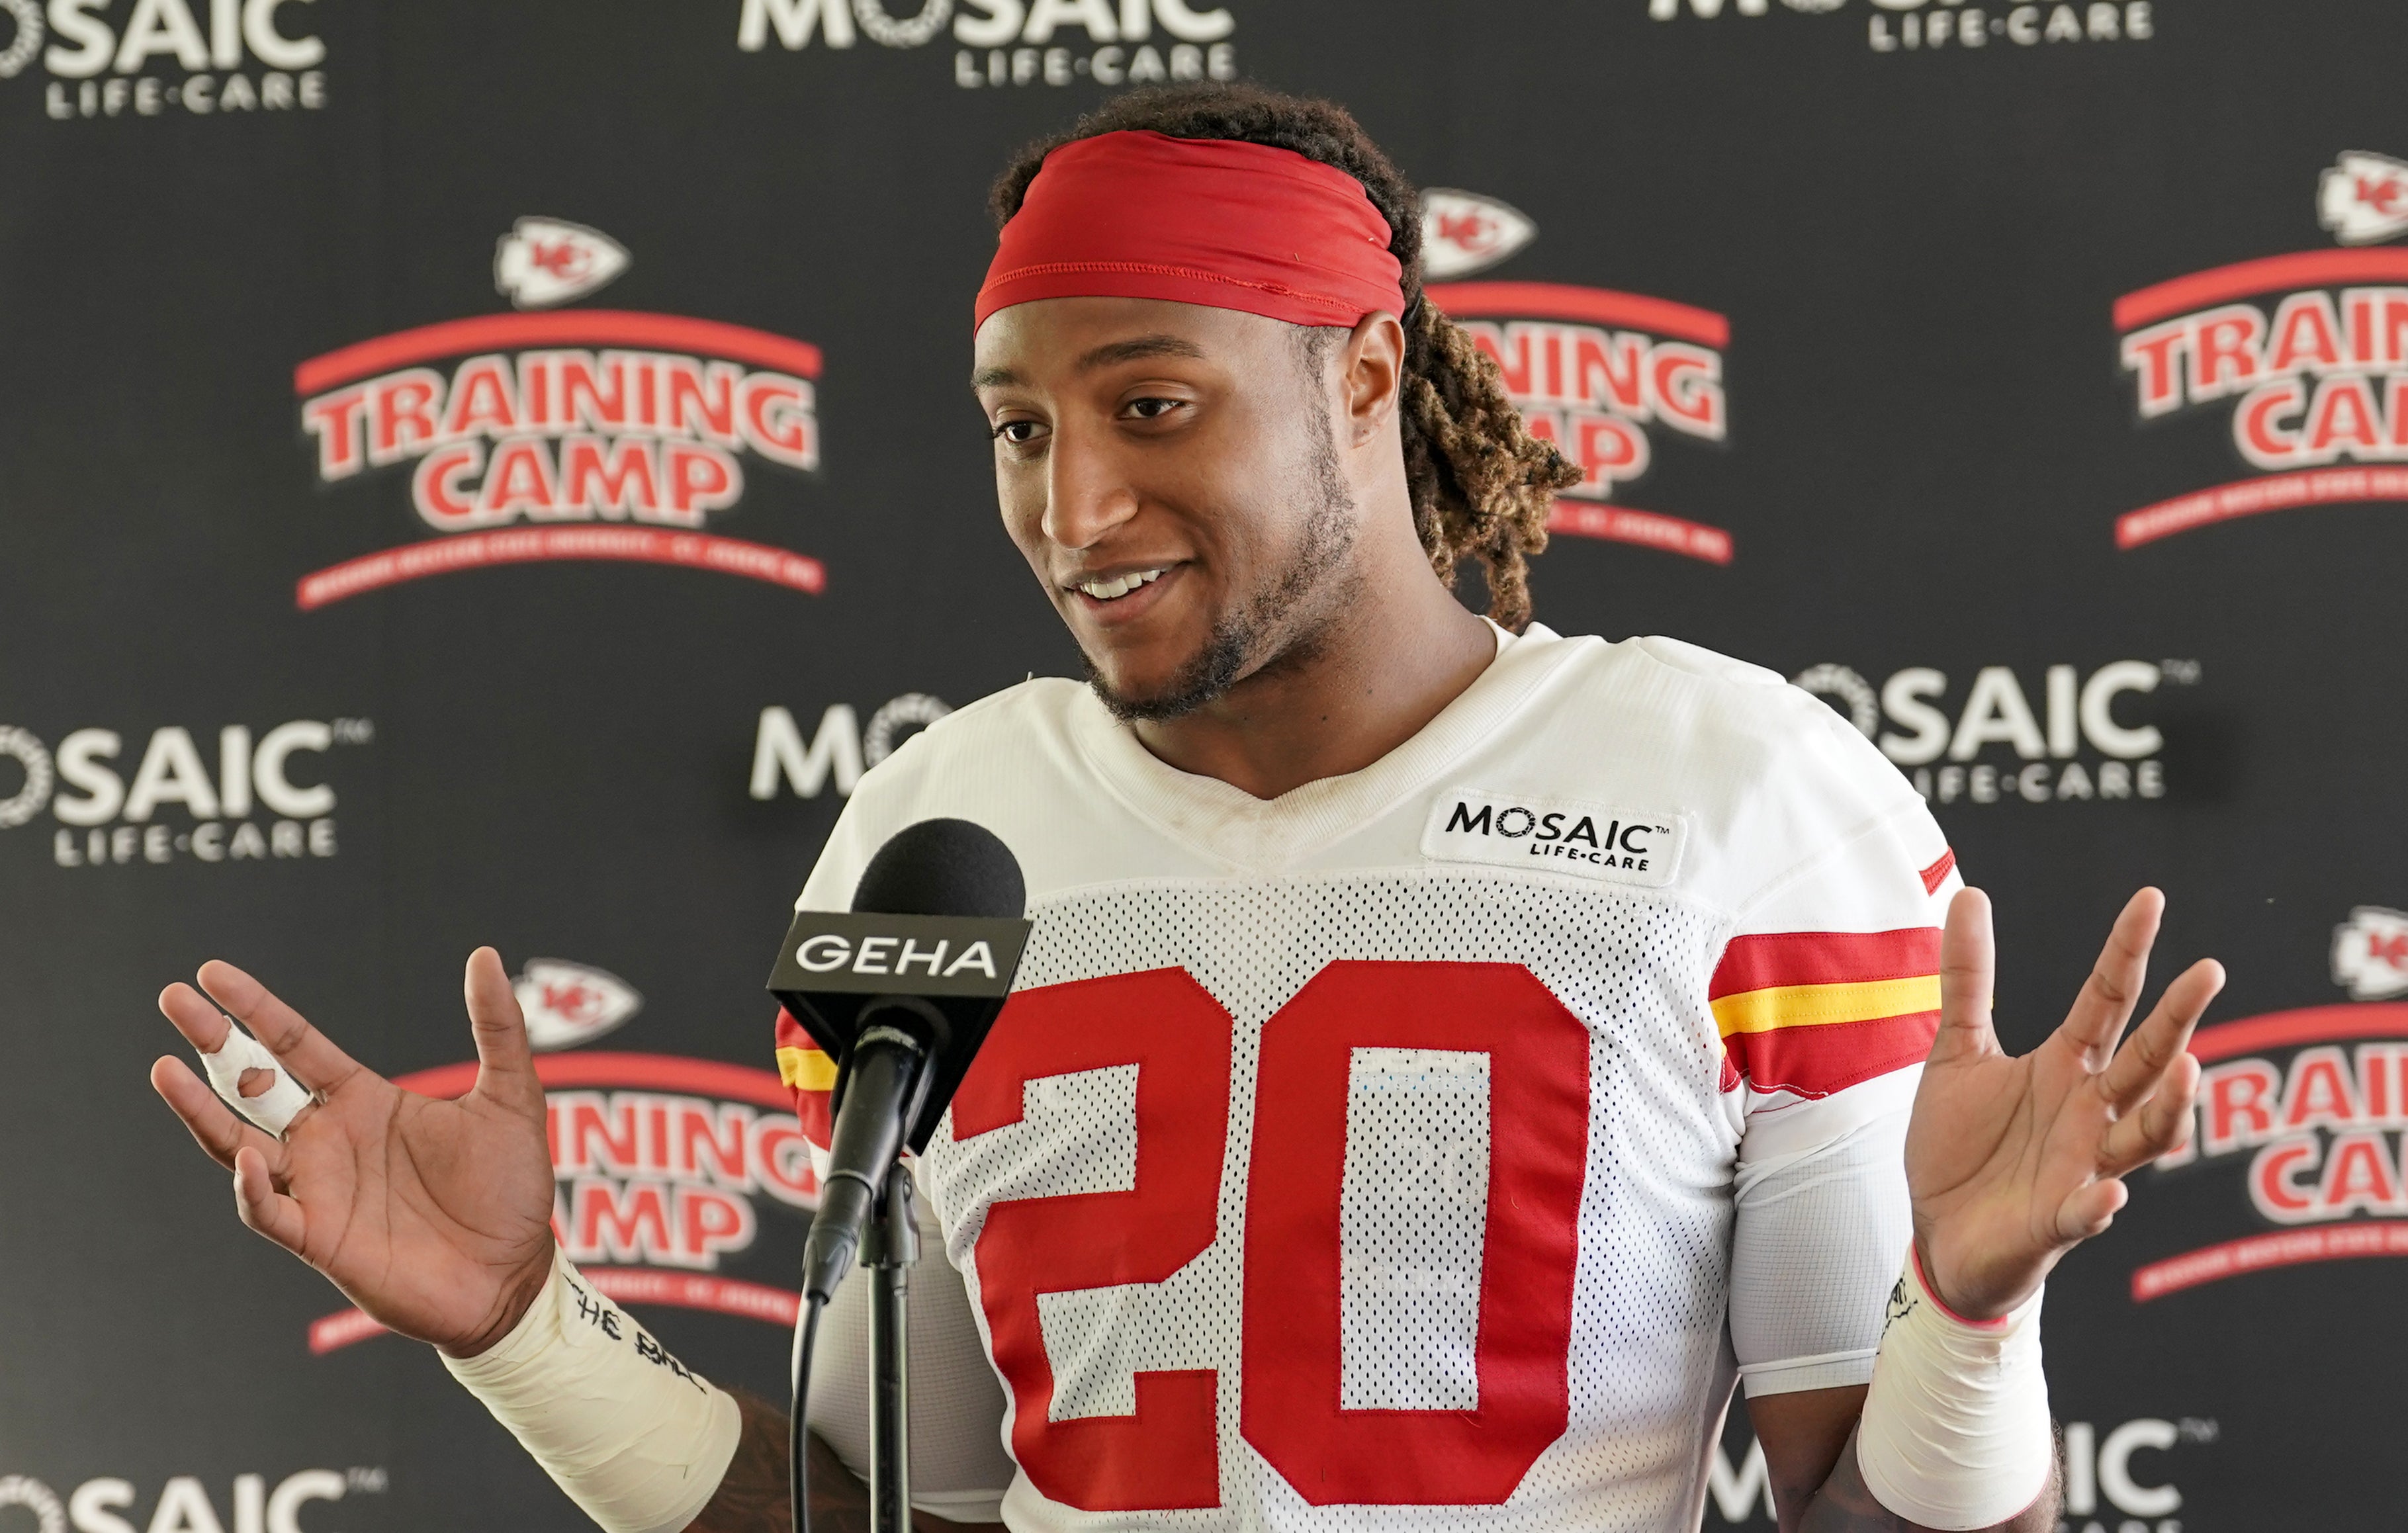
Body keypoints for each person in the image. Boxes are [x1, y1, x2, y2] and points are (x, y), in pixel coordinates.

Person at [150, 83, 2222, 1533]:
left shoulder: (1729, 797)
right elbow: (909, 1525)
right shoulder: (934, 837)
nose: (1075, 507)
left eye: (1155, 405)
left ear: (1364, 372)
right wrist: (523, 1331)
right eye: (1019, 427)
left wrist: (1966, 1310)